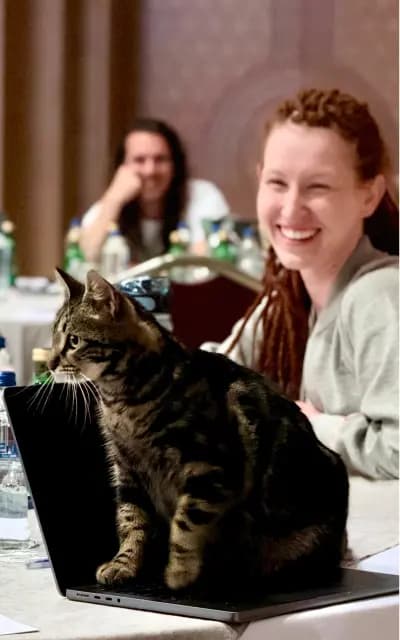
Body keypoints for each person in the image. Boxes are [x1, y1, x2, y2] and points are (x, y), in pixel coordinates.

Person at [205, 88, 399, 480]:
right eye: (277, 183)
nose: (292, 208)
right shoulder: (287, 302)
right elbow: (209, 384)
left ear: (370, 196)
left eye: (318, 187)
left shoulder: (380, 295)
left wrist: (307, 425)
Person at [79, 118, 230, 264]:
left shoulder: (204, 196)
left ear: (175, 165)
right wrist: (114, 199)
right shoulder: (109, 204)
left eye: (160, 159)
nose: (150, 170)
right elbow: (83, 258)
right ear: (122, 167)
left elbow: (207, 259)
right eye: (139, 160)